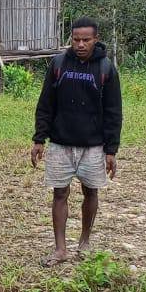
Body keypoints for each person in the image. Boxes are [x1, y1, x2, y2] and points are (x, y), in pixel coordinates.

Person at [30, 17, 122, 265]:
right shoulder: (59, 64)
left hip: (93, 146)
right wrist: (39, 139)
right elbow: (45, 103)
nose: (80, 44)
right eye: (76, 39)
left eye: (86, 40)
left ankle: (85, 242)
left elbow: (114, 111)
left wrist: (111, 150)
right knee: (60, 193)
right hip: (60, 143)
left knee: (90, 192)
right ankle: (60, 249)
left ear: (96, 39)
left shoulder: (106, 69)